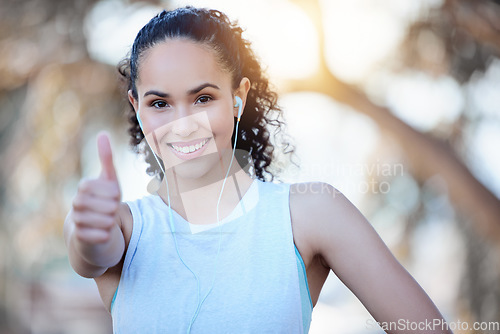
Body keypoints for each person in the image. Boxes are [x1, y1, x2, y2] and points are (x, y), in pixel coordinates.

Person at [64, 6, 453, 334]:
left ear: (238, 97)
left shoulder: (310, 215)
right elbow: (92, 251)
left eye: (203, 98)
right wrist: (88, 231)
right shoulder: (122, 227)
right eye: (160, 104)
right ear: (136, 106)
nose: (182, 124)